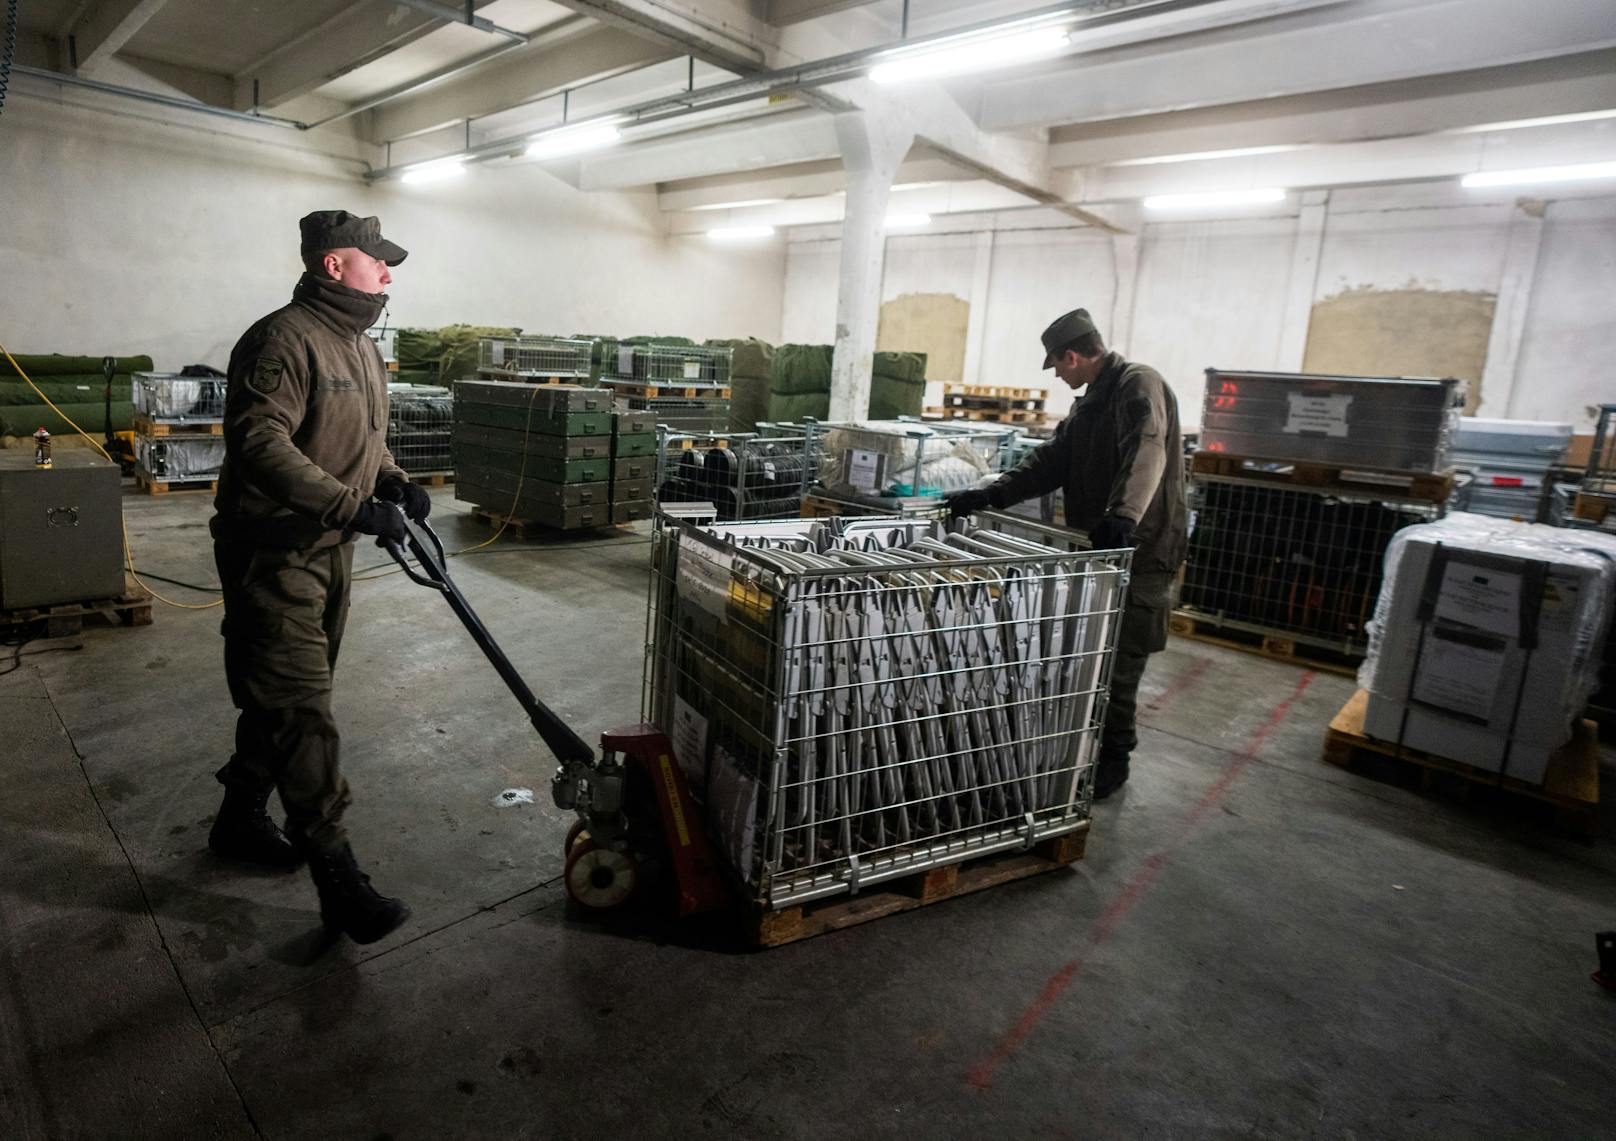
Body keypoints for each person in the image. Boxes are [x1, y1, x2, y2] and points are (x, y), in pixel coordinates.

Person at [207, 210, 431, 945]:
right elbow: (258, 442)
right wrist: (349, 505)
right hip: (273, 553)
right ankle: (338, 877)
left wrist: (393, 481)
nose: (388, 274)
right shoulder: (283, 339)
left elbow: (362, 439)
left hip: (330, 549)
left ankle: (239, 816)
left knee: (287, 694)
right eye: (377, 263)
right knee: (301, 704)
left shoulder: (359, 347)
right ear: (335, 266)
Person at [944, 308, 1186, 800]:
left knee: (1121, 659)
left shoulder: (1140, 384)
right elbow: (1051, 462)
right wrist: (990, 493)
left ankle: (1115, 756)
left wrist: (1124, 514)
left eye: (1057, 365)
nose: (1058, 375)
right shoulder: (1089, 405)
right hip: (1101, 548)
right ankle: (1080, 745)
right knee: (1088, 651)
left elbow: (1148, 448)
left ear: (1072, 355)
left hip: (1140, 551)